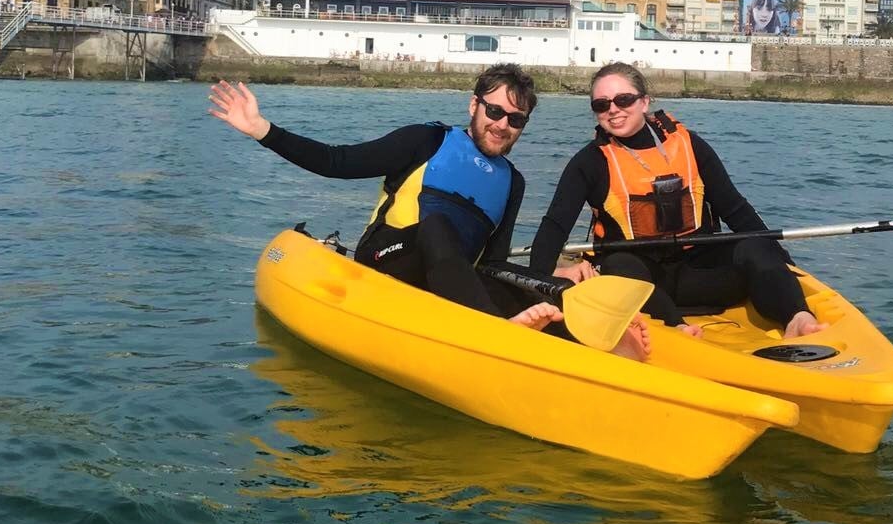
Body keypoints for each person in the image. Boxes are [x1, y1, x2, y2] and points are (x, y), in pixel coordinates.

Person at [210, 66, 650, 354]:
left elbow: (493, 263)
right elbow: (336, 162)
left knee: (531, 289)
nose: (501, 124)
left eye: (515, 120)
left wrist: (553, 284)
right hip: (389, 261)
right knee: (435, 225)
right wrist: (262, 130)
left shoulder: (512, 182)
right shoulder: (427, 141)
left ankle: (600, 347)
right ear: (474, 105)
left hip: (449, 279)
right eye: (494, 110)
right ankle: (499, 336)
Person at [529, 62, 826, 339]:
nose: (613, 110)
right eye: (601, 104)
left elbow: (735, 209)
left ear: (644, 102)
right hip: (643, 284)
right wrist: (546, 273)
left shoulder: (690, 144)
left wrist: (781, 262)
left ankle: (796, 316)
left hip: (702, 275)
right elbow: (555, 226)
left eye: (624, 100)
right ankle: (676, 328)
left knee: (753, 242)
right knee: (618, 263)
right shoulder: (590, 162)